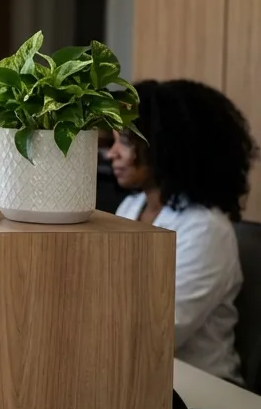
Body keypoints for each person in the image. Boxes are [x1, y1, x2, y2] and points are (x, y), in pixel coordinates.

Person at [109, 79, 258, 384]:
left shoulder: (205, 229)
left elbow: (162, 330)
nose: (112, 154)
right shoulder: (131, 207)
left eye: (125, 141)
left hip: (204, 393)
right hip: (139, 377)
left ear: (167, 144)